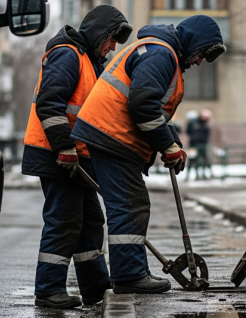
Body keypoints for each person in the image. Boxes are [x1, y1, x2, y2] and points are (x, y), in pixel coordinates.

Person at [71, 15, 226, 294]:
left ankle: (134, 271)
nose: (200, 61)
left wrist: (172, 143)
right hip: (113, 136)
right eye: (202, 54)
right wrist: (167, 147)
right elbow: (142, 105)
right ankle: (129, 276)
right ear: (193, 43)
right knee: (129, 206)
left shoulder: (160, 52)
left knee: (131, 204)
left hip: (109, 134)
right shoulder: (161, 54)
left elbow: (157, 113)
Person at [22, 5, 132, 308]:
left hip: (73, 155)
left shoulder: (87, 60)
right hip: (57, 154)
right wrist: (64, 148)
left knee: (90, 220)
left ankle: (96, 288)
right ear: (99, 33)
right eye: (111, 40)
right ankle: (48, 289)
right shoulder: (67, 54)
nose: (112, 48)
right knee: (63, 220)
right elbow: (50, 103)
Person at [187, 109, 213, 180]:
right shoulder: (194, 123)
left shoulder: (206, 125)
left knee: (204, 160)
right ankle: (188, 175)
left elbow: (206, 136)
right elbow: (189, 132)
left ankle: (205, 174)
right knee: (191, 160)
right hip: (193, 145)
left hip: (202, 145)